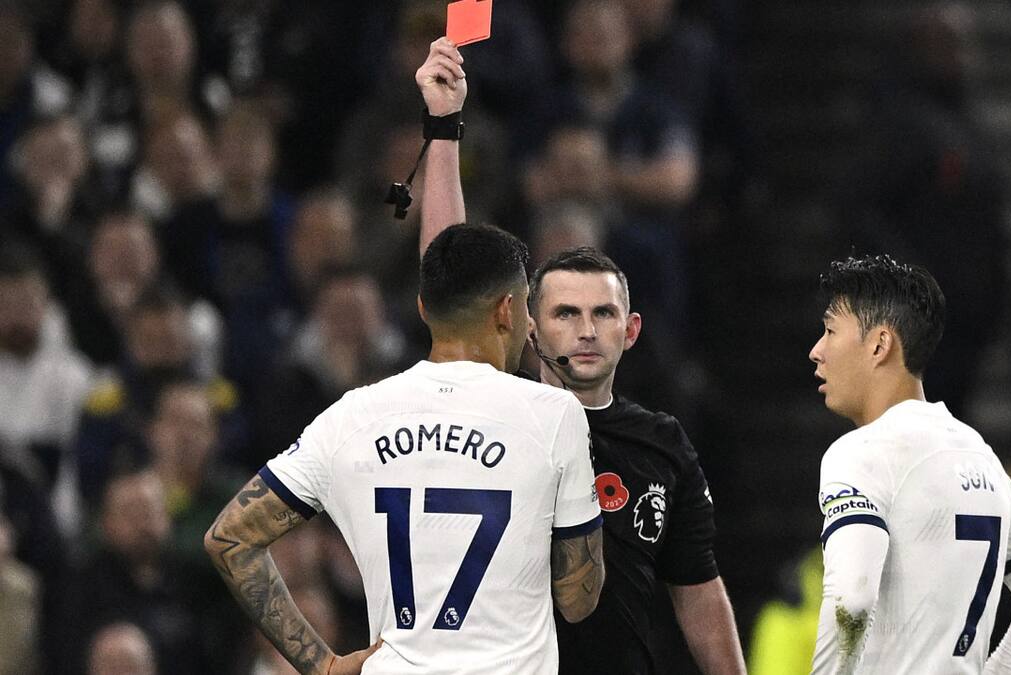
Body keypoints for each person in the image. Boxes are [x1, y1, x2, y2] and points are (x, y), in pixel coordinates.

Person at [415, 38, 743, 674]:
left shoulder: (663, 444)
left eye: (603, 314)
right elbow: (446, 269)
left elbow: (699, 593)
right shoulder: (492, 408)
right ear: (530, 327)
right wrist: (445, 128)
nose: (586, 330)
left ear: (632, 331)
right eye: (566, 313)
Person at [205, 222, 605, 674]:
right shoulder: (554, 415)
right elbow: (578, 599)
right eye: (528, 311)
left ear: (422, 309)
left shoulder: (350, 416)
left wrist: (321, 665)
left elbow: (230, 538)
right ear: (508, 310)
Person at [807, 255, 1011, 673]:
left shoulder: (861, 452)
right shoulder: (981, 456)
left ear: (880, 345)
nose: (816, 351)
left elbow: (853, 596)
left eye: (830, 330)